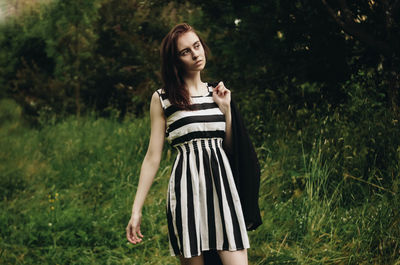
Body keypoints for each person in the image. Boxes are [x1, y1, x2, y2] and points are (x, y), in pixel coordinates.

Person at [126, 23, 251, 265]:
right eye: (185, 51)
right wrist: (136, 209)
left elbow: (231, 150)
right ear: (175, 61)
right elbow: (153, 157)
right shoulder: (162, 99)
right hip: (187, 194)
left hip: (222, 190)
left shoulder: (218, 93)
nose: (195, 54)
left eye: (197, 46)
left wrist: (226, 111)